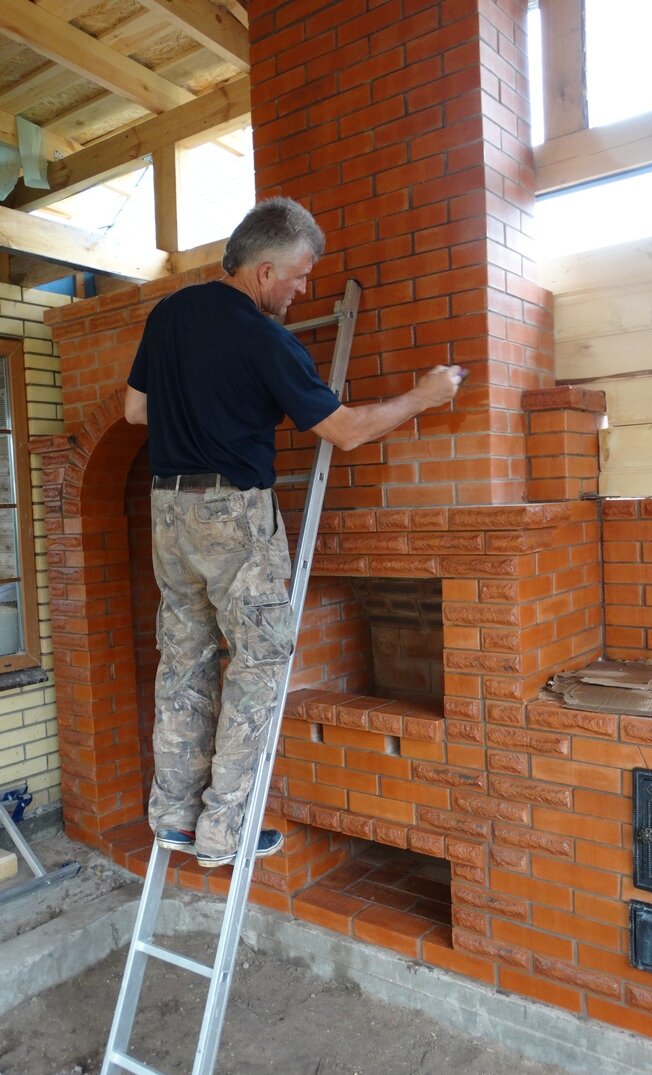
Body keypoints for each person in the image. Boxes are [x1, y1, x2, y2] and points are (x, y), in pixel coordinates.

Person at [125, 196, 464, 869]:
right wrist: (424, 397)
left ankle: (173, 817)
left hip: (168, 512)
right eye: (302, 276)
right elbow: (345, 431)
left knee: (185, 662)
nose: (305, 289)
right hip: (233, 516)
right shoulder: (266, 339)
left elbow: (137, 411)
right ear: (264, 271)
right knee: (259, 668)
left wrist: (202, 401)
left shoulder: (168, 315)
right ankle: (225, 832)